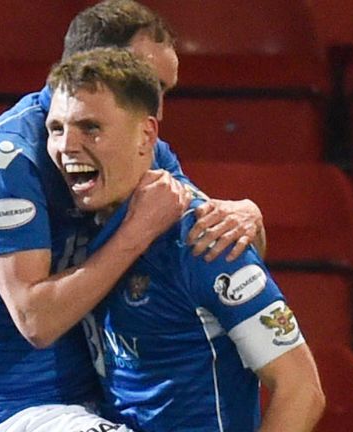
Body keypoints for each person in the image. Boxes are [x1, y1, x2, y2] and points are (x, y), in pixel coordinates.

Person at [0, 1, 267, 431]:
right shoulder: (5, 162)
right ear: (92, 68)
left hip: (103, 400)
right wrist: (134, 232)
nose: (158, 111)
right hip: (12, 409)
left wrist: (248, 218)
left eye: (164, 92)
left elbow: (217, 244)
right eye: (149, 85)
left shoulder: (142, 148)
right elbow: (37, 321)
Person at [46, 47, 325, 432]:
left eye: (90, 128)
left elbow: (301, 388)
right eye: (56, 129)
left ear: (146, 135)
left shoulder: (204, 240)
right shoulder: (75, 232)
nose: (66, 146)